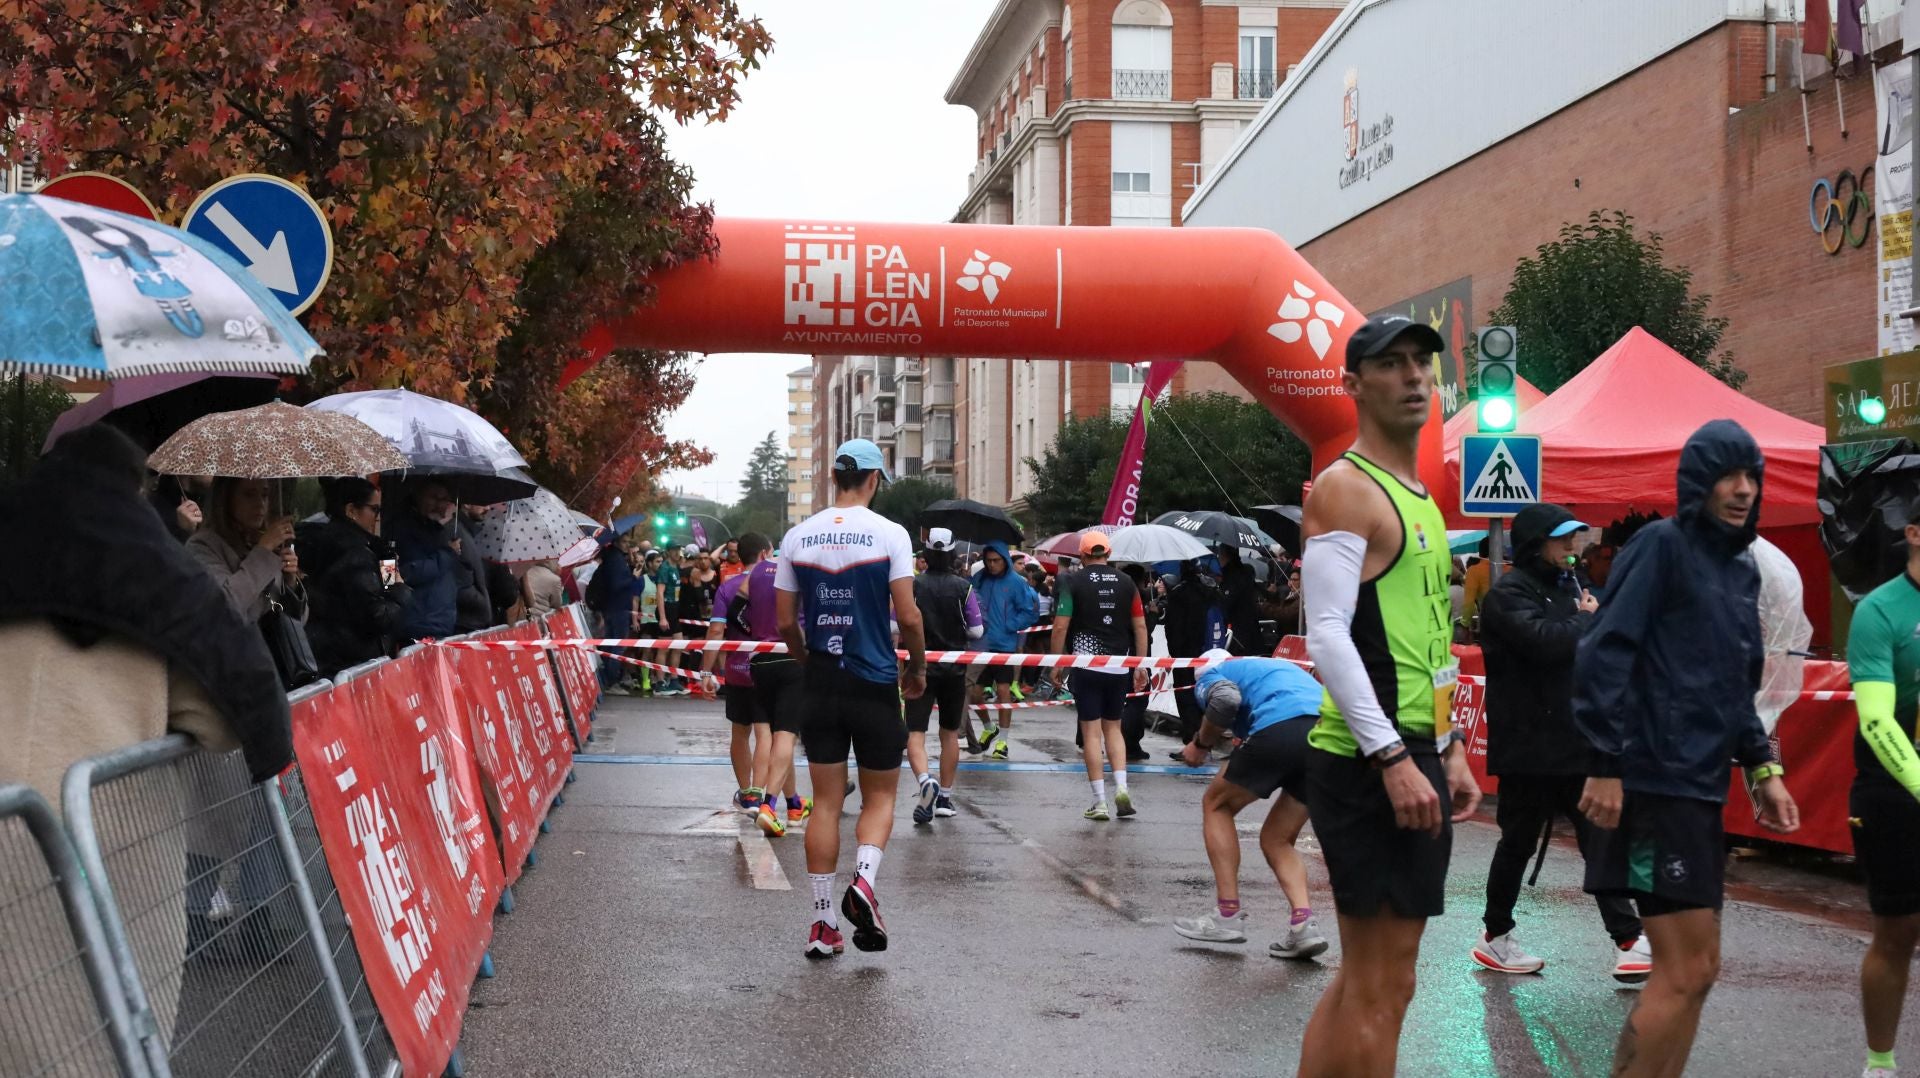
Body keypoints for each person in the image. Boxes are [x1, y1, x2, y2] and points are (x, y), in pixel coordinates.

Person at [0, 425, 293, 1072]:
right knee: (95, 1038)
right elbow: (226, 716)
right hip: (101, 855)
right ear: (134, 486)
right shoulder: (153, 573)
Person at [1574, 419, 1799, 1078]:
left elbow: (1736, 679)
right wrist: (1606, 763)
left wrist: (1762, 765)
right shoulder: (1660, 547)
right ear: (1698, 481)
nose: (1742, 489)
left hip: (1697, 788)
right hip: (1652, 783)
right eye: (1728, 475)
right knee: (1683, 967)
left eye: (1751, 476)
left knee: (1697, 970)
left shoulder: (1739, 568)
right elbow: (1605, 651)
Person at [1295, 315, 1482, 1077]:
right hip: (1370, 762)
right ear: (1353, 384)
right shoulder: (1347, 488)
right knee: (1381, 984)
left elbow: (1427, 641)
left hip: (1410, 750)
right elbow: (1328, 637)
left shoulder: (1419, 497)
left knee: (1378, 981)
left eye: (1422, 364)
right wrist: (1395, 757)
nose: (1414, 378)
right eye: (1393, 364)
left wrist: (1451, 746)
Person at [1468, 502, 1648, 982]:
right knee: (1518, 843)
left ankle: (1630, 941)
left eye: (1574, 537)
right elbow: (1546, 642)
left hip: (1570, 739)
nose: (1574, 547)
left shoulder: (1568, 587)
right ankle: (1496, 936)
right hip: (1528, 746)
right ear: (1535, 543)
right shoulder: (1507, 594)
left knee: (1598, 837)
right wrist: (1589, 619)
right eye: (1563, 538)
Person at [775, 439, 925, 959]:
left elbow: (783, 622)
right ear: (874, 479)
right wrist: (919, 667)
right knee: (881, 797)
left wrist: (804, 659)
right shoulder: (891, 534)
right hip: (875, 679)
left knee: (826, 802)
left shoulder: (797, 535)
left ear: (835, 478)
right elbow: (907, 616)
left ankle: (821, 923)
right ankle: (863, 882)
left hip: (820, 682)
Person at [1172, 651, 1329, 960]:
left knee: (1216, 805)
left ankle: (1227, 914)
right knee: (1278, 839)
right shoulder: (1272, 668)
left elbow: (1225, 701)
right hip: (1327, 737)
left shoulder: (1212, 674)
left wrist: (1200, 745)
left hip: (1281, 725)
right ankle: (1303, 925)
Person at [1844, 509, 1920, 1078]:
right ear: (1914, 533)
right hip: (1893, 790)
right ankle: (1880, 1063)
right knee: (1897, 933)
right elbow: (1875, 719)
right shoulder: (1879, 611)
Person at [701, 532, 803, 827]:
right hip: (778, 662)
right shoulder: (782, 578)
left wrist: (707, 671)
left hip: (739, 670)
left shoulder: (728, 587)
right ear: (764, 553)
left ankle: (749, 792)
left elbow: (717, 630)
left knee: (740, 733)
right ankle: (768, 796)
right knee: (774, 734)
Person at [1049, 531, 1149, 821]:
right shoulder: (1127, 582)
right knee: (1113, 729)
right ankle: (1122, 788)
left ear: (1082, 556)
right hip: (1119, 664)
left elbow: (1060, 626)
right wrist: (1140, 665)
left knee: (1091, 733)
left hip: (1086, 663)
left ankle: (1100, 801)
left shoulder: (1072, 581)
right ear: (1108, 553)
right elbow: (1140, 627)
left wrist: (1057, 663)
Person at [298, 477, 413, 676]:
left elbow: (386, 586)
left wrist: (388, 564)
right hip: (350, 662)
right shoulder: (354, 554)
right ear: (351, 510)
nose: (377, 517)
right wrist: (400, 590)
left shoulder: (336, 543)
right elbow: (377, 617)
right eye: (374, 509)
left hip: (332, 657)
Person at [906, 528, 982, 824]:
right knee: (950, 734)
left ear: (925, 554)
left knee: (915, 733)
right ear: (952, 554)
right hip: (954, 667)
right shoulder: (964, 588)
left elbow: (895, 625)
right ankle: (945, 798)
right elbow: (977, 631)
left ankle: (925, 781)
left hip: (919, 666)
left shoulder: (913, 586)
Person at [186, 477, 306, 629]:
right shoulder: (202, 545)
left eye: (265, 495)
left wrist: (289, 582)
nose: (260, 504)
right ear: (226, 498)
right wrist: (263, 551)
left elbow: (297, 618)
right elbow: (223, 606)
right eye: (249, 494)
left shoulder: (265, 543)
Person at [970, 540, 1038, 759]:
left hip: (1005, 647)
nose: (991, 565)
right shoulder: (979, 578)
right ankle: (990, 728)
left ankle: (1003, 742)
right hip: (981, 645)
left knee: (1003, 692)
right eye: (988, 561)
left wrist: (1010, 626)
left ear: (1004, 560)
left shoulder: (1017, 582)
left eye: (996, 560)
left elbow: (1029, 611)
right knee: (974, 694)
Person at [1163, 558, 1225, 751]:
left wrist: (1173, 654)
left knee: (1185, 697)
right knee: (1204, 697)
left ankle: (1192, 742)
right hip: (1209, 653)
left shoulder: (1178, 594)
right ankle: (1205, 740)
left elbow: (1172, 629)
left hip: (1184, 656)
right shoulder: (1211, 592)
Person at [389, 479, 461, 643]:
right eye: (434, 498)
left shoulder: (435, 531)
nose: (439, 504)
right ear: (418, 496)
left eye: (444, 499)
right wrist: (448, 553)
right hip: (418, 624)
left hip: (439, 623)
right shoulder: (401, 529)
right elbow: (402, 574)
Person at [586, 535, 639, 693]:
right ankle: (611, 682)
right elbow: (617, 584)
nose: (627, 544)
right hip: (617, 609)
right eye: (624, 541)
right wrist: (633, 577)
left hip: (612, 608)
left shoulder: (613, 558)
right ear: (616, 542)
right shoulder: (615, 559)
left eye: (628, 541)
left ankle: (608, 680)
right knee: (617, 647)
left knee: (611, 645)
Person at [653, 545, 690, 696]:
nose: (677, 553)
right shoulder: (665, 568)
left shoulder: (675, 567)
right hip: (666, 607)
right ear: (668, 552)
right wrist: (662, 617)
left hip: (674, 608)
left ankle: (674, 679)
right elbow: (660, 593)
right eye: (674, 550)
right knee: (664, 647)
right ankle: (660, 682)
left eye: (678, 550)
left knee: (678, 646)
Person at [453, 502, 494, 632]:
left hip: (470, 620)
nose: (487, 507)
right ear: (466, 504)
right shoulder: (456, 532)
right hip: (463, 622)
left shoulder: (469, 533)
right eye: (482, 502)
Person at [1217, 545, 1264, 655]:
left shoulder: (1232, 577)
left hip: (1237, 635)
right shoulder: (1245, 573)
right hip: (1251, 631)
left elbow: (1227, 604)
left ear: (1225, 555)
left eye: (1220, 554)